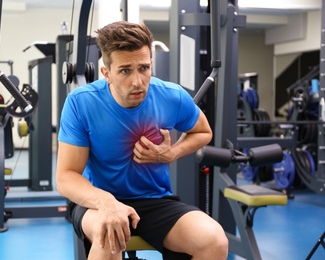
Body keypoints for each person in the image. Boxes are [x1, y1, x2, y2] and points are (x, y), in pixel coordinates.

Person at [56, 21, 228, 260]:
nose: (138, 81)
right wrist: (106, 202)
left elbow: (203, 131)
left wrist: (172, 153)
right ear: (106, 73)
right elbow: (66, 177)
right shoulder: (81, 102)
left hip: (154, 200)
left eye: (144, 68)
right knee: (109, 237)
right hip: (97, 201)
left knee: (214, 241)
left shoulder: (171, 96)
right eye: (125, 70)